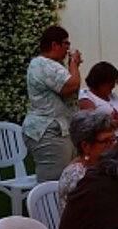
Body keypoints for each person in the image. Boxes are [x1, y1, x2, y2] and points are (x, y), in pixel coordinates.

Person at [22, 25, 82, 183]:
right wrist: (74, 63)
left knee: (63, 179)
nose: (68, 49)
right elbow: (71, 85)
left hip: (57, 129)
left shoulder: (50, 65)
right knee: (52, 182)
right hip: (48, 131)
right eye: (66, 44)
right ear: (54, 45)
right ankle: (44, 208)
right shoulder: (43, 65)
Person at [55, 109, 117, 214]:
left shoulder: (103, 165)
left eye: (113, 140)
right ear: (86, 146)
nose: (112, 146)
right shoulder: (76, 176)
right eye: (106, 141)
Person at [78, 61, 118, 129]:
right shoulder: (86, 96)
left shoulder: (113, 97)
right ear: (101, 81)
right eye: (111, 83)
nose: (113, 86)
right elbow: (92, 122)